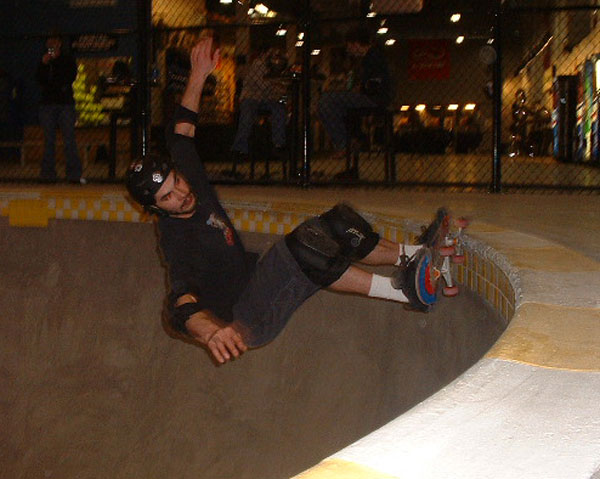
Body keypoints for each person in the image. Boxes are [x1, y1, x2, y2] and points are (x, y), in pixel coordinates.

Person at [126, 38, 436, 365]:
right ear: (155, 209)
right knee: (305, 247)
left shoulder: (187, 177)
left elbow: (182, 133)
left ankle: (413, 253)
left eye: (176, 182)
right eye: (168, 198)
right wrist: (209, 332)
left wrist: (199, 74)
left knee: (338, 223)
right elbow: (179, 303)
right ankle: (404, 291)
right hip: (246, 318)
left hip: (259, 278)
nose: (182, 195)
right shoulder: (176, 239)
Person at [318, 26, 391, 174]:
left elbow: (373, 84)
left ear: (356, 44)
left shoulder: (373, 57)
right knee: (334, 104)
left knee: (326, 101)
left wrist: (360, 88)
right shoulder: (370, 57)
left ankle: (342, 143)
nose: (348, 50)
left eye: (349, 46)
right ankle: (353, 138)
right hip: (375, 97)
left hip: (375, 98)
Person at [227, 46, 287, 178]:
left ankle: (278, 143)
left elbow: (279, 91)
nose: (275, 58)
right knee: (247, 112)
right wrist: (278, 86)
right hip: (251, 97)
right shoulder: (258, 64)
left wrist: (279, 89)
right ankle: (240, 148)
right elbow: (264, 85)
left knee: (279, 108)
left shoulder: (275, 68)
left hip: (267, 99)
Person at [35, 34, 84, 184]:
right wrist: (44, 64)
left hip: (64, 103)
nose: (51, 44)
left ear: (60, 43)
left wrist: (55, 64)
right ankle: (48, 174)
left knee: (69, 139)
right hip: (47, 103)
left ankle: (73, 174)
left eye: (54, 42)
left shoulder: (67, 59)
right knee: (49, 140)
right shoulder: (44, 60)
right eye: (49, 42)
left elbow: (69, 77)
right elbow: (39, 79)